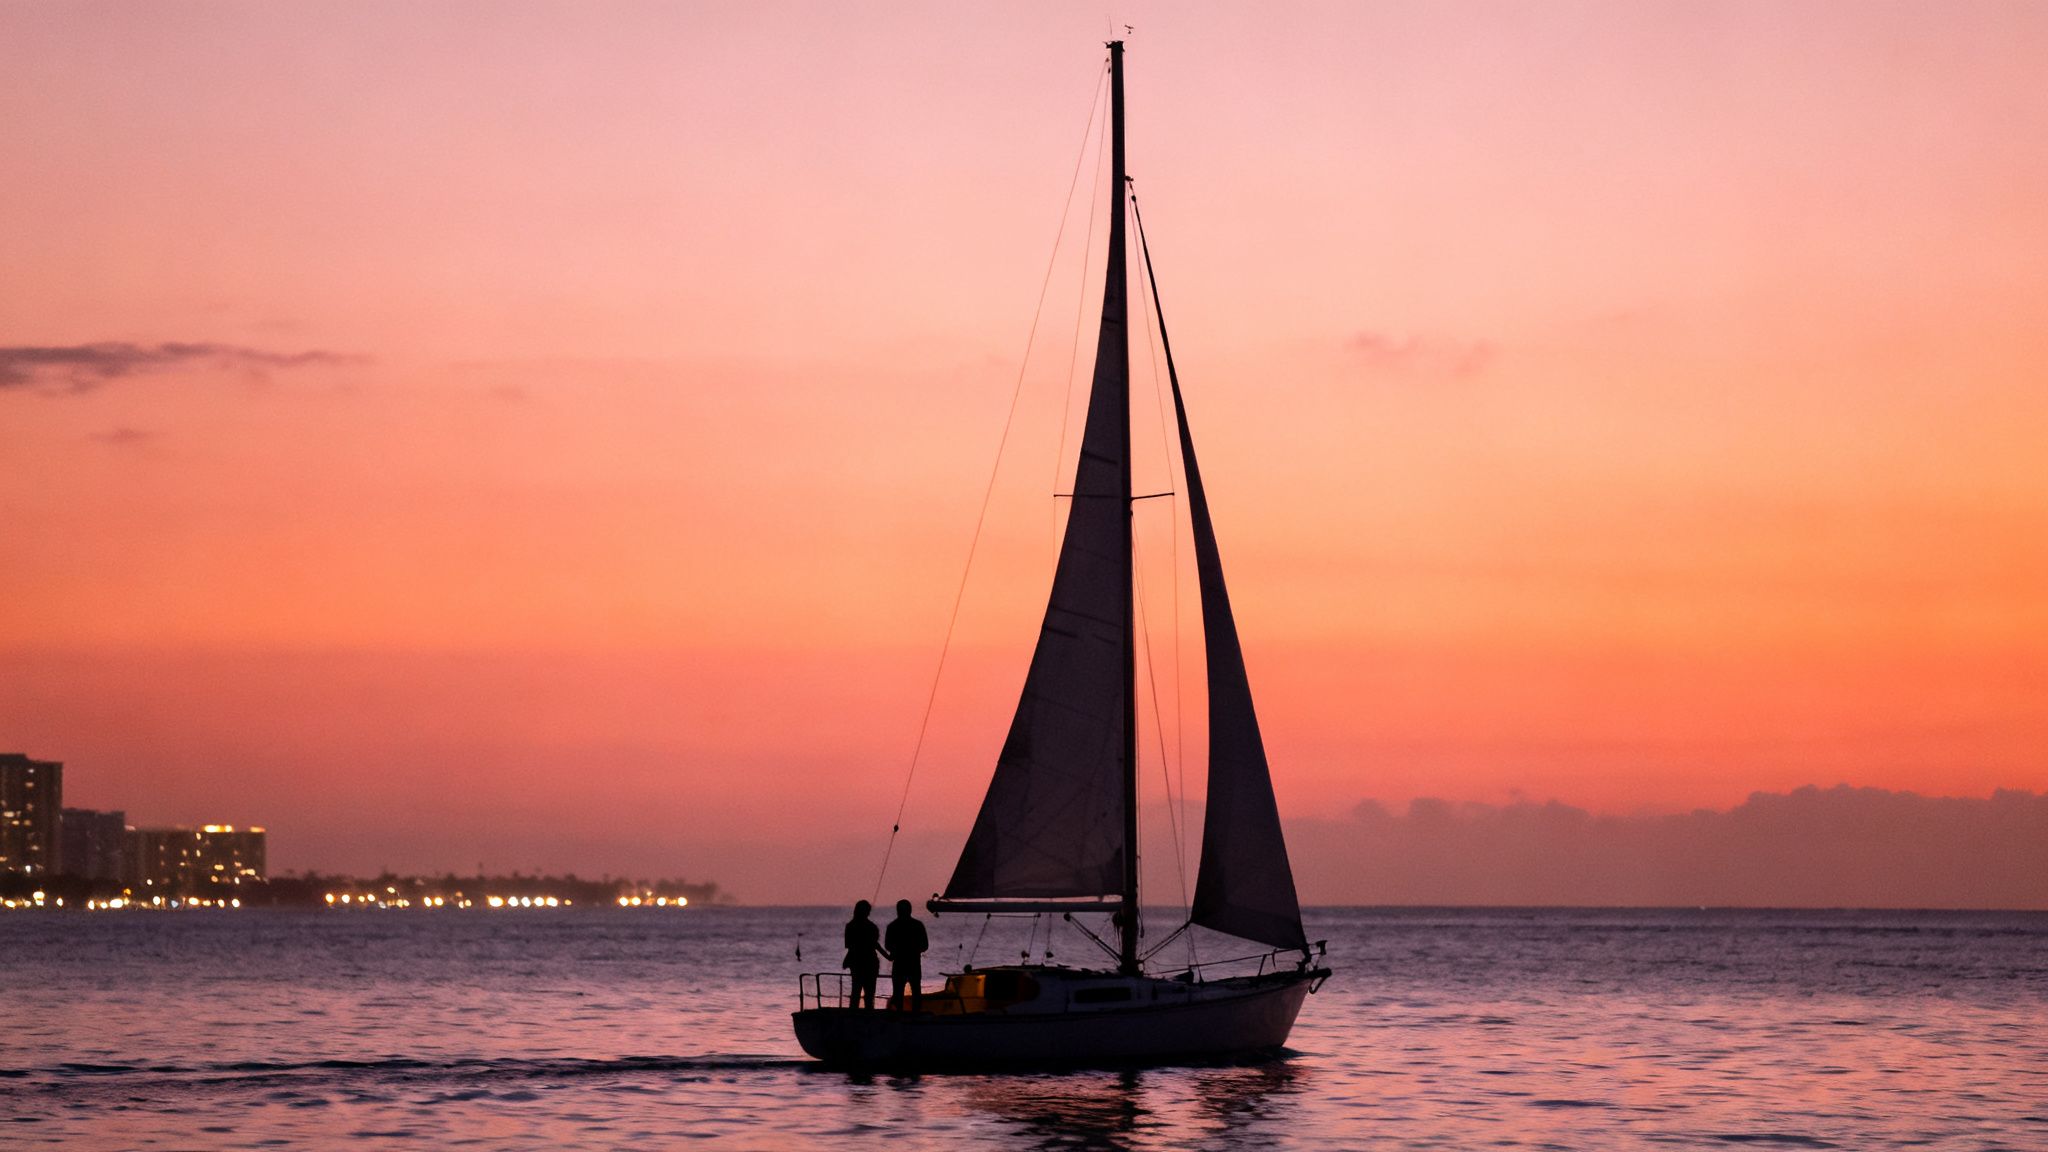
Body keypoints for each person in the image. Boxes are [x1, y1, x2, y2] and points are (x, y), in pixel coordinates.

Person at [884, 898, 929, 1013]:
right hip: (914, 963)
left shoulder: (892, 926)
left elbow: (888, 945)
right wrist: (914, 950)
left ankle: (899, 1015)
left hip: (899, 964)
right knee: (916, 992)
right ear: (910, 910)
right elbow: (925, 946)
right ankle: (916, 1015)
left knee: (898, 992)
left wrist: (899, 949)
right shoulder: (918, 925)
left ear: (897, 910)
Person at [842, 900, 886, 1010]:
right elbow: (875, 945)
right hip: (871, 963)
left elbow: (850, 946)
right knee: (869, 993)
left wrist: (847, 960)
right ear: (868, 912)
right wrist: (887, 956)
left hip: (856, 963)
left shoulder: (850, 926)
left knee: (855, 991)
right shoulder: (872, 927)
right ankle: (869, 1014)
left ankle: (853, 1015)